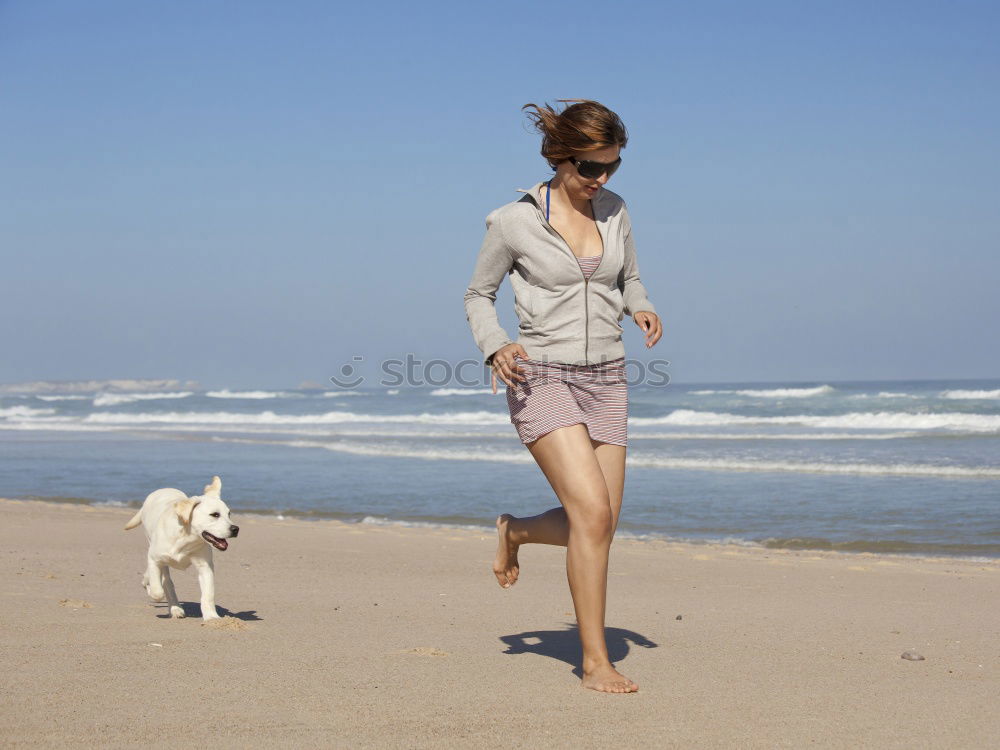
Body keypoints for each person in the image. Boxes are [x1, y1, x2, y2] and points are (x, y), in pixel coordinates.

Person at [463, 99, 663, 693]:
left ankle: (517, 531)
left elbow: (627, 277)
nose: (601, 179)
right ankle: (595, 660)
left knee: (600, 525)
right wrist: (495, 344)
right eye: (590, 167)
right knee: (592, 515)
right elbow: (478, 294)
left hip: (607, 375)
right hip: (540, 375)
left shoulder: (616, 211)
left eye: (612, 167)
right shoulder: (512, 221)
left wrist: (642, 304)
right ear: (559, 156)